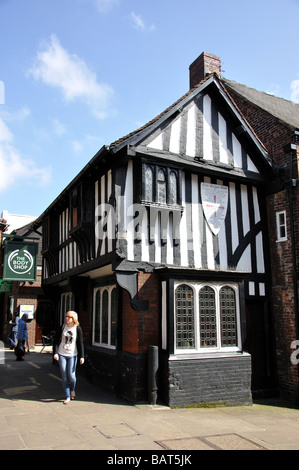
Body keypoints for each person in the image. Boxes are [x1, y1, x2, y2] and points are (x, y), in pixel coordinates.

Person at [53, 311, 84, 404]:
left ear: (73, 319)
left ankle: (72, 389)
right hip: (62, 353)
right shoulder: (63, 327)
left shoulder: (77, 329)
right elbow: (56, 340)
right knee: (64, 376)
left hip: (72, 355)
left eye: (69, 317)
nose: (66, 318)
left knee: (71, 375)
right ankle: (67, 396)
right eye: (66, 316)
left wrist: (82, 356)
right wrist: (55, 352)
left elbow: (80, 343)